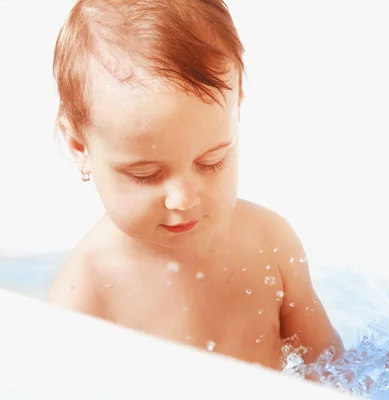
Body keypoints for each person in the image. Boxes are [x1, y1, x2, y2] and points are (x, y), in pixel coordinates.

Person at [47, 0, 343, 372]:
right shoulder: (84, 298)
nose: (184, 199)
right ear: (79, 146)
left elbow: (329, 365)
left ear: (236, 112)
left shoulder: (270, 240)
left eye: (211, 161)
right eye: (146, 174)